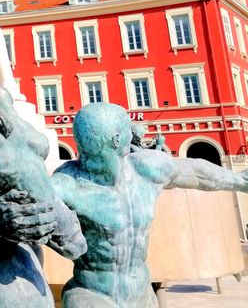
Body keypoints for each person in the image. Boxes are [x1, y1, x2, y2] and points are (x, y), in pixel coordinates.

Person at [52, 103, 248, 307]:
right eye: (129, 128)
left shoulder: (145, 169)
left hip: (143, 294)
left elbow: (196, 172)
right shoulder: (66, 185)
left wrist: (240, 181)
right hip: (91, 294)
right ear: (118, 139)